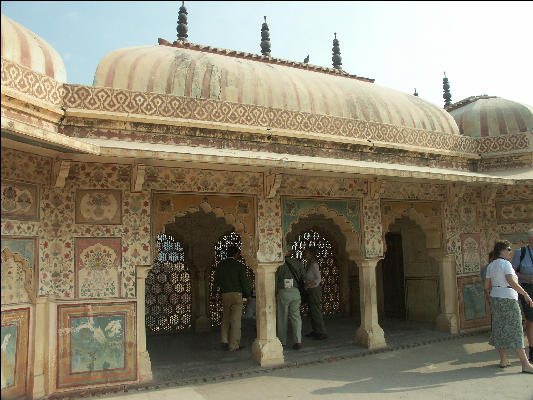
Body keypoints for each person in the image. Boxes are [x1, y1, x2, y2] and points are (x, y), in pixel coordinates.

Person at [484, 239, 533, 373]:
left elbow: (486, 286)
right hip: (508, 298)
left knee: (499, 328)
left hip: (496, 297)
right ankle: (525, 364)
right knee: (516, 329)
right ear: (503, 250)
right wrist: (525, 294)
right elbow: (511, 281)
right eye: (509, 250)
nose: (510, 253)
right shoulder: (506, 265)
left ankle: (503, 359)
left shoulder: (491, 265)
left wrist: (492, 296)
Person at [212, 245, 252, 351]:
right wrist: (248, 295)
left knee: (225, 318)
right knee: (235, 320)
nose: (239, 255)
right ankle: (234, 345)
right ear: (235, 254)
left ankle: (224, 340)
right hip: (237, 295)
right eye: (238, 253)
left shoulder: (221, 265)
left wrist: (213, 293)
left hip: (225, 294)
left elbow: (216, 281)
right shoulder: (239, 266)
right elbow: (244, 282)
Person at [276, 250, 305, 350]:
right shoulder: (297, 263)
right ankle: (298, 340)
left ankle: (282, 341)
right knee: (296, 317)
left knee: (282, 317)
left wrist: (275, 292)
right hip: (295, 292)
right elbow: (304, 277)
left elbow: (275, 279)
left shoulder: (279, 264)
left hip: (283, 292)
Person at [511, 228, 533, 361]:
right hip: (528, 288)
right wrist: (527, 277)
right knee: (531, 320)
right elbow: (512, 272)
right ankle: (532, 349)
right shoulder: (522, 252)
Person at [303, 247, 327, 340]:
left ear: (311, 254)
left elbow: (318, 279)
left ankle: (322, 331)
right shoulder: (309, 264)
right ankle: (316, 330)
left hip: (314, 290)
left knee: (316, 310)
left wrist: (308, 285)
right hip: (311, 290)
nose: (305, 254)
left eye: (307, 253)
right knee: (312, 311)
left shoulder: (314, 265)